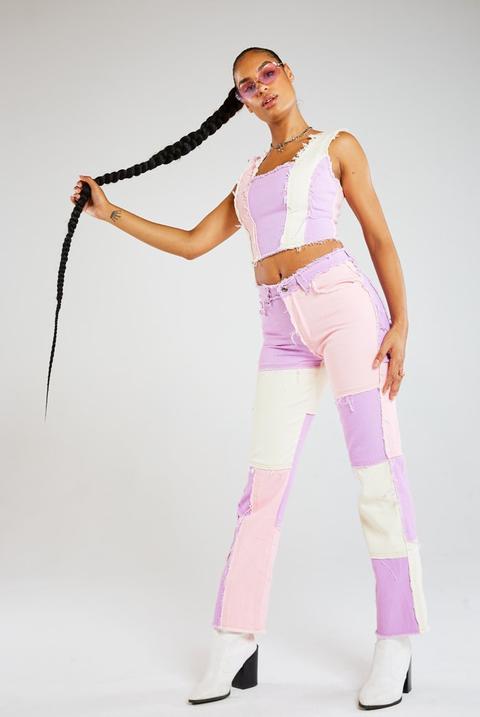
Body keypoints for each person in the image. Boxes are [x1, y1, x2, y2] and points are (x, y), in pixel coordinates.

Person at [68, 46, 429, 710]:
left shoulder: (337, 146)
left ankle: (397, 638)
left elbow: (378, 237)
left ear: (289, 74)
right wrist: (108, 211)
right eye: (245, 85)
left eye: (268, 73)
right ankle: (236, 638)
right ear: (239, 102)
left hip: (345, 309)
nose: (260, 87)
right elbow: (192, 242)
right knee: (262, 489)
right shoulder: (247, 177)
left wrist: (401, 322)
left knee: (376, 473)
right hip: (279, 326)